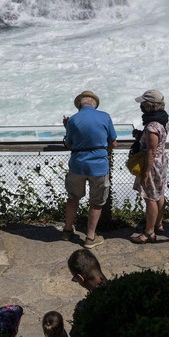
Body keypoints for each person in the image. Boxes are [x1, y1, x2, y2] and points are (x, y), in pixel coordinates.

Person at [62, 90, 117, 249]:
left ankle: (67, 231)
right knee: (96, 202)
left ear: (80, 104)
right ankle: (90, 237)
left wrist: (67, 128)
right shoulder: (105, 116)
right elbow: (113, 143)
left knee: (73, 197)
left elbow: (69, 144)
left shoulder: (73, 120)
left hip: (78, 164)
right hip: (98, 166)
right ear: (94, 104)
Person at [130, 90, 169, 244]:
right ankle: (158, 223)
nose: (141, 105)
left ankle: (148, 232)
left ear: (150, 105)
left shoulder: (152, 125)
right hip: (161, 161)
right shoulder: (163, 119)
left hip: (152, 165)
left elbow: (151, 151)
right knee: (159, 194)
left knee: (150, 198)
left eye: (144, 103)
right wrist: (141, 136)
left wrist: (145, 173)